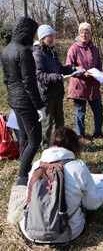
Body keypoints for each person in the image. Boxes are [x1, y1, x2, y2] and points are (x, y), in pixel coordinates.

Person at [18, 126, 103, 244]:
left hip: (31, 231)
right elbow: (92, 204)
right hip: (67, 233)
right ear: (75, 146)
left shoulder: (37, 165)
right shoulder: (79, 167)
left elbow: (29, 198)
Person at [1, 16, 44, 185]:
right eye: (33, 33)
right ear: (26, 31)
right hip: (25, 102)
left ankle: (25, 168)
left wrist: (13, 97)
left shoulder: (7, 50)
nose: (34, 36)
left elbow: (6, 79)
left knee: (25, 137)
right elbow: (29, 82)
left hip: (14, 99)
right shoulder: (24, 52)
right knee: (35, 139)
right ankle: (22, 177)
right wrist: (39, 106)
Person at [32, 24, 74, 147]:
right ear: (42, 38)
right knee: (47, 124)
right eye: (49, 36)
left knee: (60, 122)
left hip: (57, 92)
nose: (52, 38)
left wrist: (73, 68)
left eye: (53, 35)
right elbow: (39, 75)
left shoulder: (52, 52)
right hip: (46, 94)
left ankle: (59, 145)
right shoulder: (37, 54)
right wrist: (57, 77)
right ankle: (46, 147)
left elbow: (60, 68)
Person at [66, 22, 103, 141]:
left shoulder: (95, 49)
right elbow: (69, 67)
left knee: (98, 111)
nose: (84, 34)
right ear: (78, 34)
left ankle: (98, 133)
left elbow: (98, 65)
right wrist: (83, 72)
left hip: (93, 85)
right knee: (80, 112)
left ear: (91, 34)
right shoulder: (74, 48)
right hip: (79, 85)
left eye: (87, 32)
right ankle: (80, 135)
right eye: (82, 32)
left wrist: (101, 72)